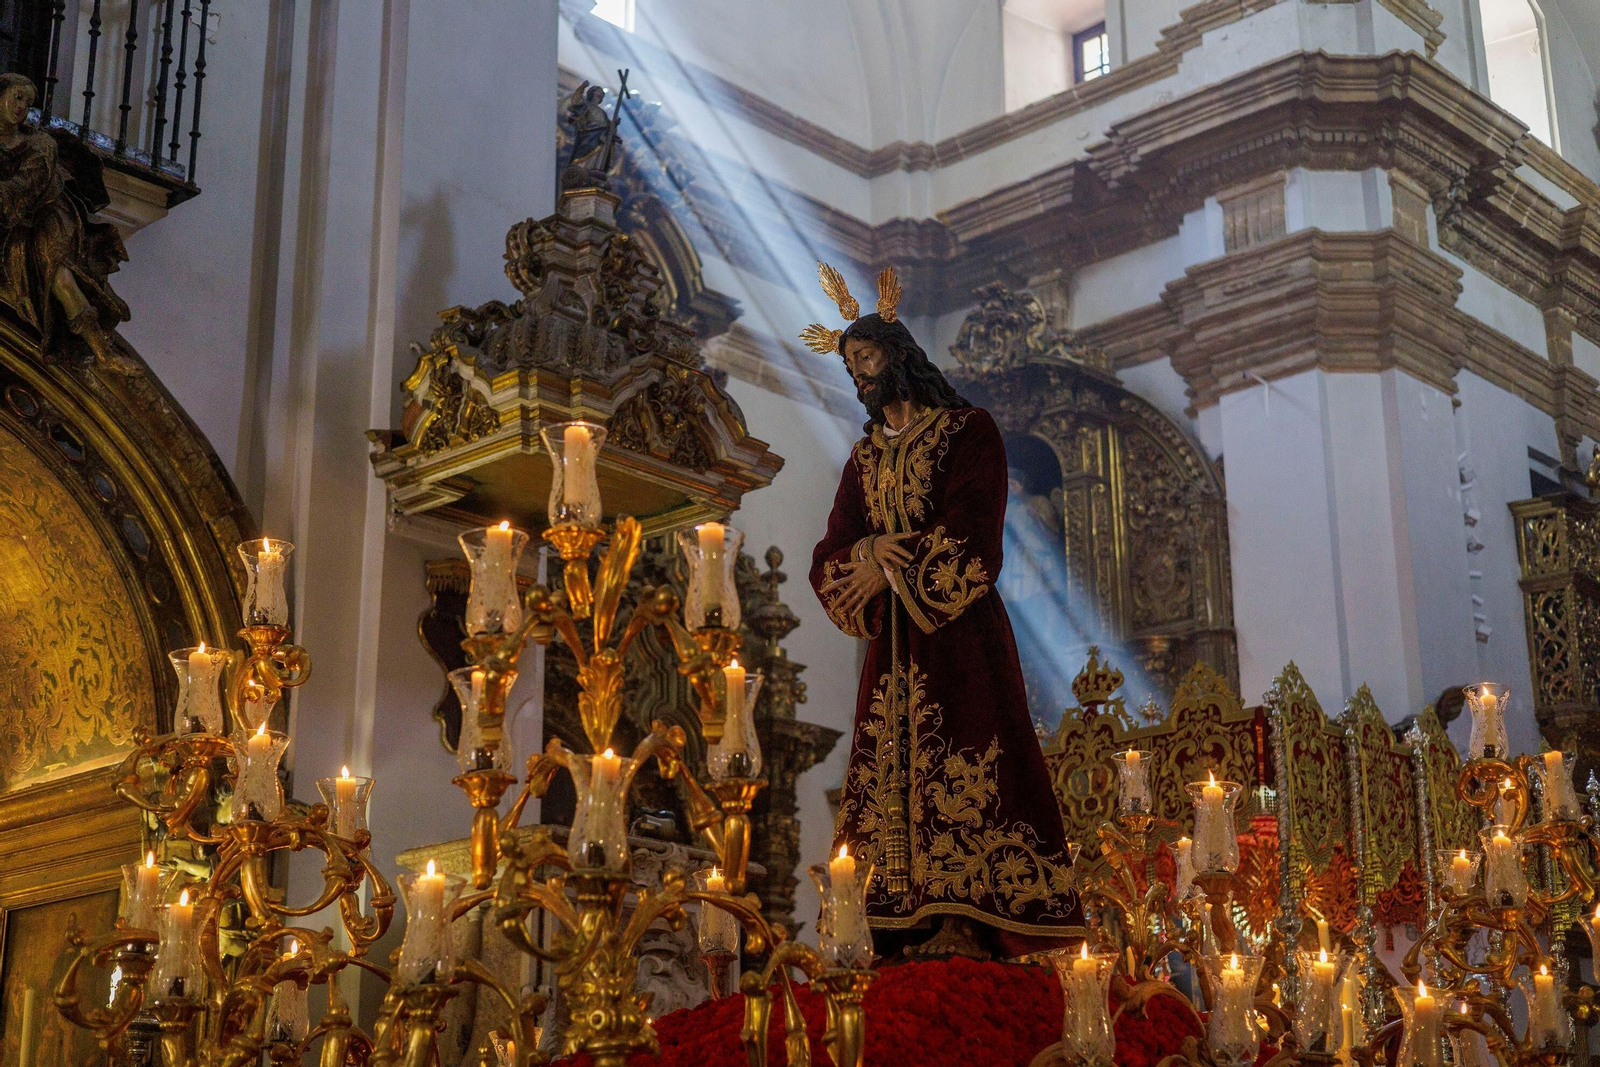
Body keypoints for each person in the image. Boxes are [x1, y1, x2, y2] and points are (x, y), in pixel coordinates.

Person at [804, 263, 1081, 959]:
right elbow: (830, 555)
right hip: (892, 653)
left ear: (898, 356)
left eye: (866, 358)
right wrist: (868, 554)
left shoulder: (968, 431)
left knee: (967, 755)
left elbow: (974, 536)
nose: (860, 375)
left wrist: (899, 565)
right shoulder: (864, 459)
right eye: (851, 365)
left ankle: (966, 910)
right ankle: (891, 920)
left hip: (959, 640)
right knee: (884, 772)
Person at [0, 73, 131, 368]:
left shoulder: (40, 145)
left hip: (45, 216)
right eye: (17, 97)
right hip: (11, 222)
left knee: (61, 278)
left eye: (28, 102)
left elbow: (24, 187)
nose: (21, 107)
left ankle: (102, 352)